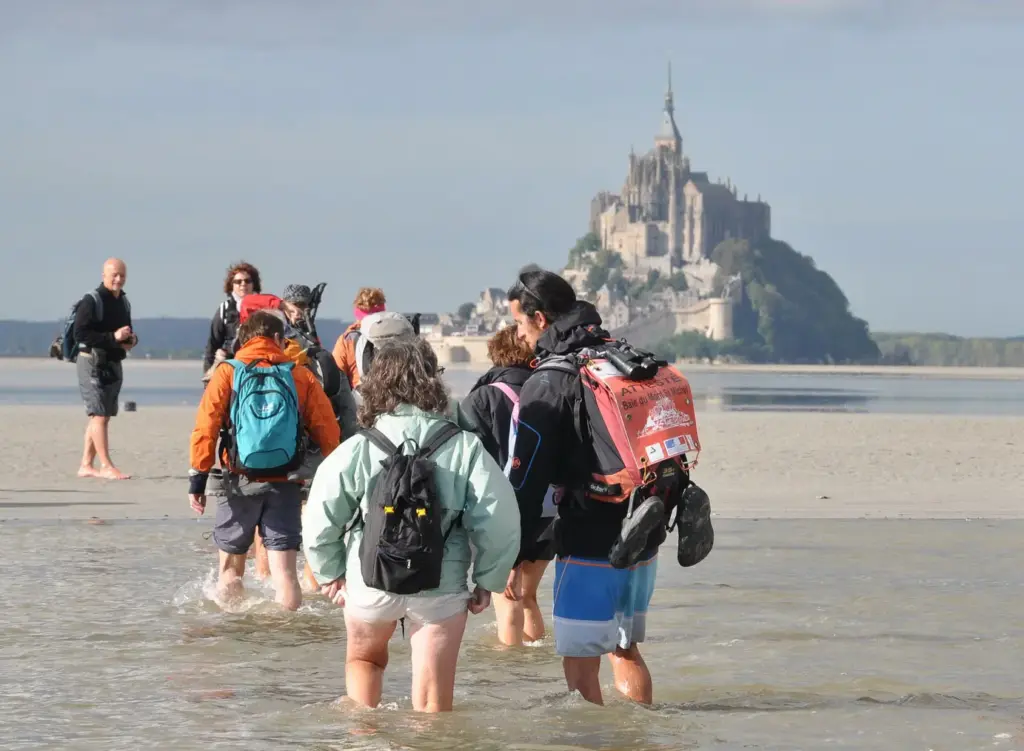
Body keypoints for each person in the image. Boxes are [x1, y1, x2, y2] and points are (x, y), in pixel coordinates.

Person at [303, 337, 521, 713]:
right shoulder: (464, 445)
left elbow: (321, 514)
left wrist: (329, 574)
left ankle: (364, 740)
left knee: (364, 662)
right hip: (441, 581)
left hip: (369, 579)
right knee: (433, 702)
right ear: (432, 380)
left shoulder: (359, 446)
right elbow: (499, 518)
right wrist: (488, 581)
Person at [505, 268, 667, 706]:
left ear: (540, 319)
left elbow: (525, 480)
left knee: (579, 660)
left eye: (519, 322)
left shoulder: (550, 379)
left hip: (588, 527)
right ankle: (640, 733)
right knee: (625, 647)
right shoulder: (620, 358)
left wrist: (509, 552)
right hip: (642, 521)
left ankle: (591, 739)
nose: (518, 334)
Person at [188, 310, 341, 610]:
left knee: (230, 570)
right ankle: (285, 636)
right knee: (285, 575)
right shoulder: (299, 374)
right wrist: (333, 475)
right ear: (276, 339)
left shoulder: (227, 372)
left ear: (243, 340)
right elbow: (328, 430)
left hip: (238, 482)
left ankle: (235, 634)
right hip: (285, 482)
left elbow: (205, 427)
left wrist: (198, 478)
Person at [460, 325, 557, 646]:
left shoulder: (483, 397)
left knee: (507, 596)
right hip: (549, 508)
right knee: (528, 595)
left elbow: (470, 462)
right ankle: (538, 658)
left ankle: (512, 669)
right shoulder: (549, 390)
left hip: (505, 512)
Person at [74, 257, 137, 481]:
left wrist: (130, 340)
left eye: (122, 275)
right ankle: (107, 466)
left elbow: (126, 331)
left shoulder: (123, 302)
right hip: (91, 362)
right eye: (114, 275)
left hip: (112, 361)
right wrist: (113, 337)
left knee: (102, 415)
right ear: (104, 276)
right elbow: (80, 334)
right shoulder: (92, 300)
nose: (119, 279)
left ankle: (86, 464)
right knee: (99, 414)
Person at [202, 261, 261, 377]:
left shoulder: (263, 309)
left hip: (257, 365)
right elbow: (213, 344)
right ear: (231, 285)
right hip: (230, 365)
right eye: (238, 281)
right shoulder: (224, 309)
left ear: (254, 284)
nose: (243, 284)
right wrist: (208, 374)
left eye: (247, 281)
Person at [331, 286, 387, 390]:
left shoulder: (347, 340)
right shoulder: (393, 335)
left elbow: (336, 374)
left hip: (360, 397)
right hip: (391, 399)